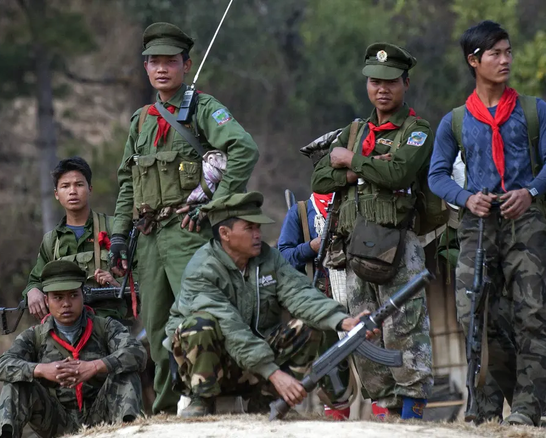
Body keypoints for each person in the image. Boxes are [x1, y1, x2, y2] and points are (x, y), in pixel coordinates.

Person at [109, 22, 259, 414]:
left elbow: (243, 149)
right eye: (154, 62)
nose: (162, 69)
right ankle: (165, 408)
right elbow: (128, 182)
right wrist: (119, 237)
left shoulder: (203, 109)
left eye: (170, 62)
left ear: (186, 65)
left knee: (203, 314)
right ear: (145, 68)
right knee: (157, 327)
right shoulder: (141, 121)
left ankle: (217, 399)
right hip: (149, 238)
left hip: (189, 231)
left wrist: (217, 205)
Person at [428, 20, 546, 426]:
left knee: (531, 316)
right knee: (474, 317)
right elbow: (437, 175)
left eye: (508, 52)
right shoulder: (455, 121)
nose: (505, 60)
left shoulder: (533, 109)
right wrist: (465, 197)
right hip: (477, 224)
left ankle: (529, 409)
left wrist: (531, 192)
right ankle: (484, 409)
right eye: (495, 53)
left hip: (525, 223)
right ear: (474, 61)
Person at [164, 192, 377, 417]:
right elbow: (231, 328)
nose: (258, 234)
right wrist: (273, 373)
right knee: (201, 324)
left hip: (254, 360)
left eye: (258, 227)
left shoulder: (268, 258)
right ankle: (202, 399)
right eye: (249, 228)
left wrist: (343, 321)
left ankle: (266, 400)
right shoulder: (202, 269)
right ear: (225, 233)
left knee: (308, 326)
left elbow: (301, 294)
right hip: (217, 364)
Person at [310, 42, 434, 420]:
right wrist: (359, 165)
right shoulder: (355, 131)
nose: (382, 88)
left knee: (405, 332)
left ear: (405, 84)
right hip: (354, 247)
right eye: (375, 81)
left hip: (397, 244)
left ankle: (411, 417)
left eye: (391, 81)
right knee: (362, 333)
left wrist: (352, 161)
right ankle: (383, 419)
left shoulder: (416, 131)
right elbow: (320, 176)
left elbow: (398, 172)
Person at [0, 260, 147, 438]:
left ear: (83, 295)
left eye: (73, 295)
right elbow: (1, 366)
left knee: (126, 373)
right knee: (15, 385)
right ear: (46, 300)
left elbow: (137, 352)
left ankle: (129, 434)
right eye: (58, 297)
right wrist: (42, 370)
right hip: (56, 421)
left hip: (101, 416)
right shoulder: (35, 336)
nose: (66, 304)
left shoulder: (104, 327)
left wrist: (95, 366)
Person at [24, 157, 127, 321]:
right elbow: (36, 280)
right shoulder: (52, 241)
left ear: (90, 189)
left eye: (79, 185)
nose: (72, 191)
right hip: (65, 328)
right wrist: (32, 291)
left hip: (110, 324)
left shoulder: (116, 229)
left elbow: (142, 274)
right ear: (56, 194)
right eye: (65, 186)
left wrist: (116, 283)